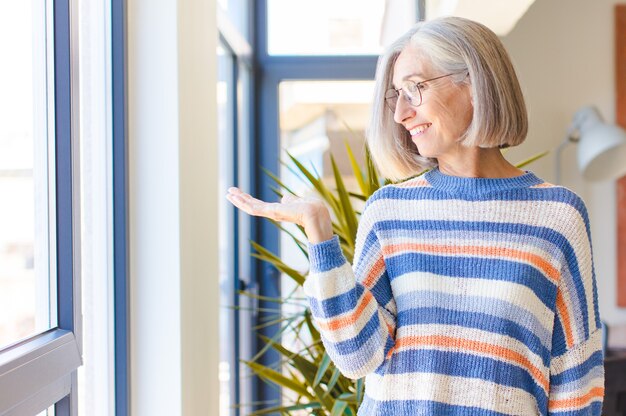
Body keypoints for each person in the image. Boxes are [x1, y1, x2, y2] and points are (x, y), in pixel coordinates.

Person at [226, 16, 604, 415]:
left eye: (414, 89)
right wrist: (320, 236)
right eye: (396, 95)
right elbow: (357, 357)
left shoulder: (557, 218)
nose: (400, 114)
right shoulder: (389, 212)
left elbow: (575, 380)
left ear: (473, 82)